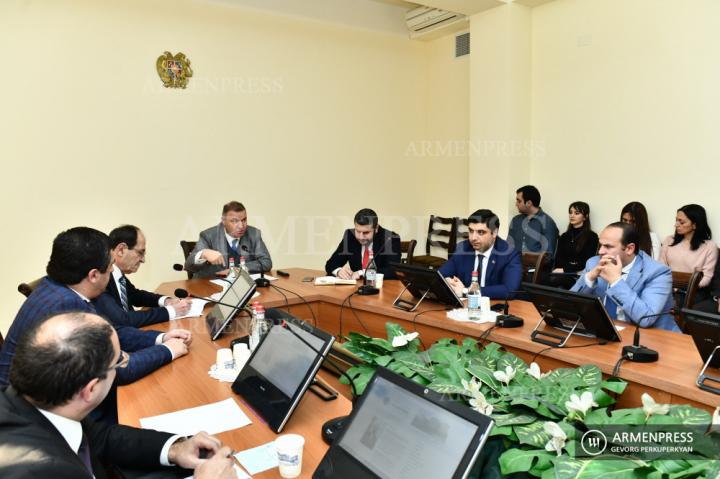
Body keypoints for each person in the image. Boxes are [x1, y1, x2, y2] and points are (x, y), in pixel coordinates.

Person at [0, 311, 237, 479]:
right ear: (90, 389)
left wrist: (175, 449)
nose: (123, 362)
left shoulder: (38, 403)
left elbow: (100, 436)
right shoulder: (41, 471)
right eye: (119, 361)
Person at [0, 227, 192, 392]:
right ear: (93, 275)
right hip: (29, 416)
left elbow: (110, 331)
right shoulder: (67, 306)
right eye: (110, 268)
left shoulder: (60, 287)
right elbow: (118, 368)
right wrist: (168, 350)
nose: (111, 273)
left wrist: (160, 338)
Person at [571, 222, 678, 332]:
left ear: (629, 249)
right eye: (601, 245)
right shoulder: (594, 263)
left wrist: (616, 282)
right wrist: (590, 278)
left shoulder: (657, 272)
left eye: (608, 246)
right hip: (607, 332)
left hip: (652, 337)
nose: (600, 251)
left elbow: (646, 319)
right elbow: (569, 306)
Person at [94, 225, 192, 327]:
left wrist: (166, 301)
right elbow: (123, 319)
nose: (143, 260)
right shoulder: (102, 278)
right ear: (121, 250)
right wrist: (170, 311)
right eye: (140, 252)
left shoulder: (117, 275)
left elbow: (134, 295)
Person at [440, 209, 522, 299]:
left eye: (481, 232)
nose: (473, 238)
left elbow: (509, 290)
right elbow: (441, 275)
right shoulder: (463, 248)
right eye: (471, 231)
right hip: (466, 307)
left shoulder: (510, 254)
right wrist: (448, 282)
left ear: (494, 233)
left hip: (494, 307)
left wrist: (467, 291)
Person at [185, 201, 272, 278]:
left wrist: (237, 269)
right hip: (211, 287)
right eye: (234, 221)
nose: (241, 226)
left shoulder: (253, 233)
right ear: (223, 221)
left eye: (244, 220)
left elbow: (266, 262)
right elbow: (189, 266)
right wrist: (203, 254)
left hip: (242, 287)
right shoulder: (208, 235)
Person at [325, 208, 401, 280]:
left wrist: (362, 273)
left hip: (383, 287)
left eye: (366, 232)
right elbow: (331, 264)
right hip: (356, 287)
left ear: (376, 228)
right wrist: (338, 271)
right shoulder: (350, 236)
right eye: (358, 231)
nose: (361, 237)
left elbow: (394, 271)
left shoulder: (391, 238)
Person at [659, 204, 717, 289]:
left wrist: (684, 288)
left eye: (682, 222)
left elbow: (707, 278)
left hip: (693, 292)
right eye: (676, 220)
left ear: (695, 225)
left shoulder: (709, 246)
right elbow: (661, 268)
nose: (676, 225)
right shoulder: (669, 240)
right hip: (668, 289)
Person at [550, 202, 599, 288]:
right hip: (563, 274)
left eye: (576, 213)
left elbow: (587, 262)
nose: (572, 216)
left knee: (558, 283)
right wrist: (566, 269)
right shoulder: (564, 236)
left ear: (585, 217)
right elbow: (558, 259)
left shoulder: (592, 237)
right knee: (547, 280)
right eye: (570, 212)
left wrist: (565, 269)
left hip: (579, 275)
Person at [508, 185, 559, 260]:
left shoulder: (548, 222)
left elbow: (548, 256)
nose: (516, 204)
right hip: (514, 268)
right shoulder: (516, 220)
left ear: (529, 203)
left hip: (535, 270)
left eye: (519, 201)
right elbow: (508, 247)